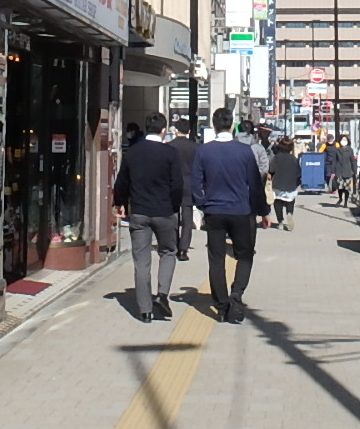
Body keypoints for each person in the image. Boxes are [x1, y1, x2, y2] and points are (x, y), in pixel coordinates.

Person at [192, 106, 268, 322]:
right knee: (245, 254)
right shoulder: (244, 151)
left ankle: (222, 305)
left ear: (214, 125)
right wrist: (263, 211)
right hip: (241, 210)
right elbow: (255, 184)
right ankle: (237, 292)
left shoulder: (204, 151)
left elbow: (195, 183)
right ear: (232, 125)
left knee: (216, 259)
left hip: (214, 211)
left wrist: (202, 204)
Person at [111, 111, 181, 323]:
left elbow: (122, 182)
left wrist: (120, 203)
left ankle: (145, 311)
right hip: (165, 211)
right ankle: (162, 295)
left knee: (141, 261)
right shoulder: (170, 153)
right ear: (163, 130)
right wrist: (174, 206)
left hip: (139, 212)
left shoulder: (133, 152)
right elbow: (177, 185)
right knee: (168, 252)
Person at [168, 117, 201, 260]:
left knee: (173, 217)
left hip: (172, 185)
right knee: (187, 219)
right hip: (189, 185)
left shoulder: (169, 146)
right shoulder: (195, 147)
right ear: (189, 131)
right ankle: (183, 249)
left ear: (176, 130)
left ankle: (174, 245)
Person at [268, 136, 301, 230]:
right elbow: (299, 173)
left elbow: (271, 170)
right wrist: (297, 183)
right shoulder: (294, 159)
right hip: (291, 184)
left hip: (278, 184)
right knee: (290, 201)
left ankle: (280, 221)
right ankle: (289, 213)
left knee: (277, 203)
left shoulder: (276, 158)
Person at [326, 136, 356, 205]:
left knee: (347, 188)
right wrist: (333, 172)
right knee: (340, 187)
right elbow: (334, 161)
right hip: (339, 171)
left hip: (347, 171)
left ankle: (345, 202)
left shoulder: (350, 150)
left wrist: (354, 171)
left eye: (345, 140)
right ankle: (340, 199)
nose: (344, 141)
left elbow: (353, 161)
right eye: (342, 139)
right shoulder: (337, 150)